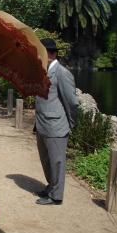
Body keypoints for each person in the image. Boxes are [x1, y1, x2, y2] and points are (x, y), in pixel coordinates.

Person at [35, 38, 78, 205]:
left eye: (42, 53)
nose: (39, 56)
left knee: (57, 161)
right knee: (46, 160)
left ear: (51, 54)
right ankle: (51, 186)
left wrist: (70, 123)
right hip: (42, 124)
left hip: (56, 126)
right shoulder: (43, 71)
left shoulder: (62, 72)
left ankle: (56, 196)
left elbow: (71, 102)